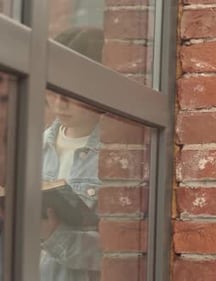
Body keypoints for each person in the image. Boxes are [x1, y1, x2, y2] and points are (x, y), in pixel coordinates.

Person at [40, 26, 104, 281]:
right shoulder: (34, 145)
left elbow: (128, 253)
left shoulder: (119, 158)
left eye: (73, 91)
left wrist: (56, 235)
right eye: (54, 89)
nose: (60, 103)